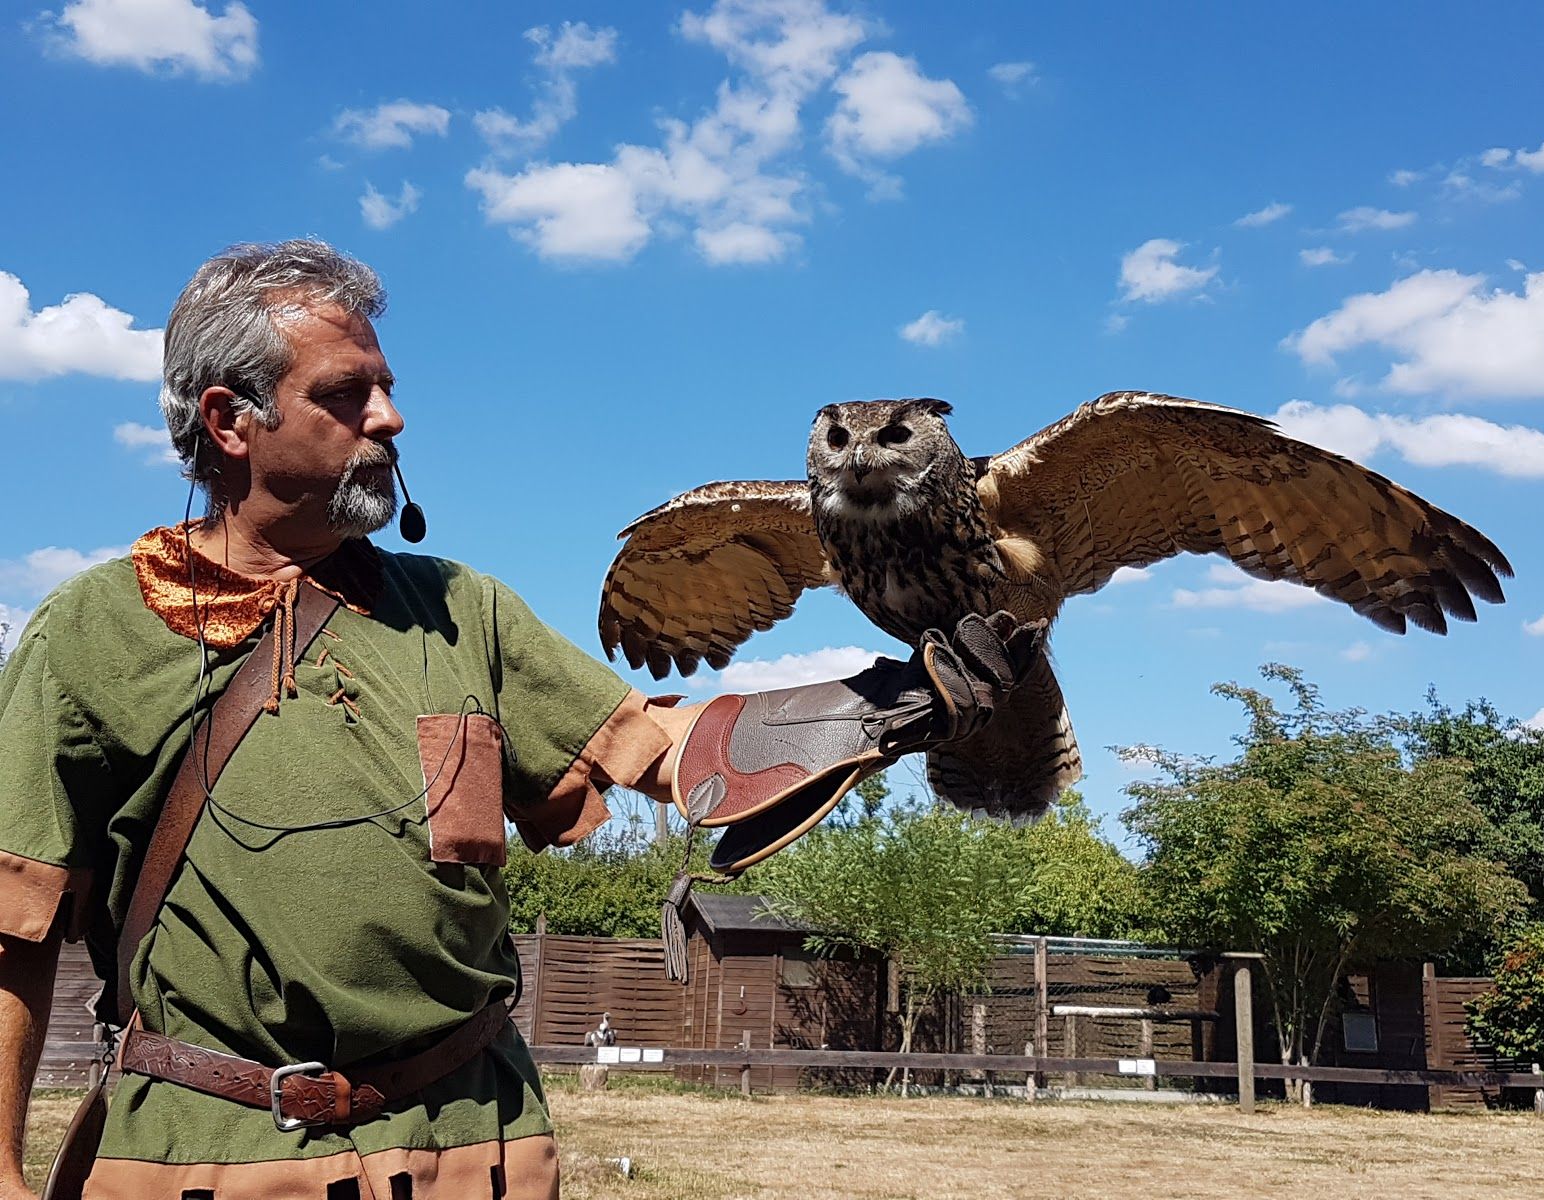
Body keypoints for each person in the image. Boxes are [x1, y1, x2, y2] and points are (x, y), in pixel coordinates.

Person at [0, 240, 1038, 1200]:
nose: (390, 418)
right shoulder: (94, 633)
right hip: (213, 1152)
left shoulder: (460, 609)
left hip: (475, 1141)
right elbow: (9, 934)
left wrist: (891, 706)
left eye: (389, 387)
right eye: (345, 393)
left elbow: (666, 751)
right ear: (232, 420)